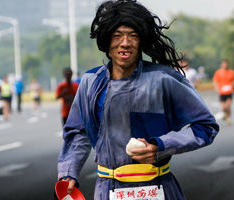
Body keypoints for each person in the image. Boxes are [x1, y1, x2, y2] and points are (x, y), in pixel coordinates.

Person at [57, 1, 219, 199]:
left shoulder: (164, 79)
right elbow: (77, 132)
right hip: (107, 190)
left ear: (141, 41)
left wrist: (160, 145)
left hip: (158, 188)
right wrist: (68, 173)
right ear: (106, 40)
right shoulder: (90, 83)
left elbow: (206, 126)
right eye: (117, 36)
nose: (125, 43)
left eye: (133, 36)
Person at [213, 59, 234, 125]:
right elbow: (215, 80)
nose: (225, 65)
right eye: (223, 64)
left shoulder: (231, 72)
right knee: (223, 107)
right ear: (221, 65)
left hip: (229, 92)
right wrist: (216, 87)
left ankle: (228, 118)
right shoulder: (218, 72)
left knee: (228, 106)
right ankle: (225, 114)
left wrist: (233, 86)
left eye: (226, 64)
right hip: (222, 92)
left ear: (228, 64)